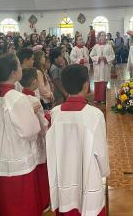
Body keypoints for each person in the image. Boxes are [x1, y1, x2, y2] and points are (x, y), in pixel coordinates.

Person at [0, 53, 42, 216]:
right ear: (13, 73)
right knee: (20, 207)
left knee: (6, 206)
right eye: (19, 66)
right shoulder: (17, 98)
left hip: (0, 161)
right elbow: (30, 131)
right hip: (18, 161)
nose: (21, 69)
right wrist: (32, 112)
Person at [47, 64, 109, 216]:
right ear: (86, 84)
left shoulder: (55, 113)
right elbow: (100, 151)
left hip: (63, 175)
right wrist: (104, 171)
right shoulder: (94, 114)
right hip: (88, 175)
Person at [19, 67, 51, 213]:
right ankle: (44, 202)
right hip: (37, 141)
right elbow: (42, 124)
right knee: (41, 172)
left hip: (25, 145)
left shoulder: (20, 97)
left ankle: (37, 201)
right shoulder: (32, 99)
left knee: (33, 173)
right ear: (34, 82)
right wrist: (48, 120)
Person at [90, 32, 115, 103]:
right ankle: (97, 98)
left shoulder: (109, 46)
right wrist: (98, 57)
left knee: (104, 81)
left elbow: (112, 55)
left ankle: (103, 98)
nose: (104, 37)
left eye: (105, 35)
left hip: (105, 67)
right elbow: (91, 55)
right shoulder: (95, 46)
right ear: (99, 37)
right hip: (98, 67)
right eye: (102, 35)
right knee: (97, 81)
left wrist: (105, 58)